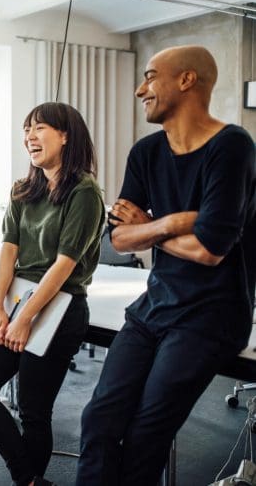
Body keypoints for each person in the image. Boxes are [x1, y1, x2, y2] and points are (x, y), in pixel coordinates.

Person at [76, 45, 256, 486]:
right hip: (155, 306)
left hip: (212, 314)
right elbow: (117, 236)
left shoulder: (232, 146)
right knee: (99, 420)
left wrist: (150, 226)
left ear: (186, 80)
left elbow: (211, 249)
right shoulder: (147, 152)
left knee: (145, 434)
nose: (141, 89)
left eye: (150, 76)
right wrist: (174, 221)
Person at [0, 102, 105, 486]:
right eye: (27, 129)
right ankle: (30, 480)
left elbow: (64, 265)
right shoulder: (24, 190)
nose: (29, 136)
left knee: (33, 411)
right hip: (17, 300)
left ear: (65, 135)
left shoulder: (85, 192)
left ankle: (27, 481)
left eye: (39, 128)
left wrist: (25, 318)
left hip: (59, 308)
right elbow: (8, 251)